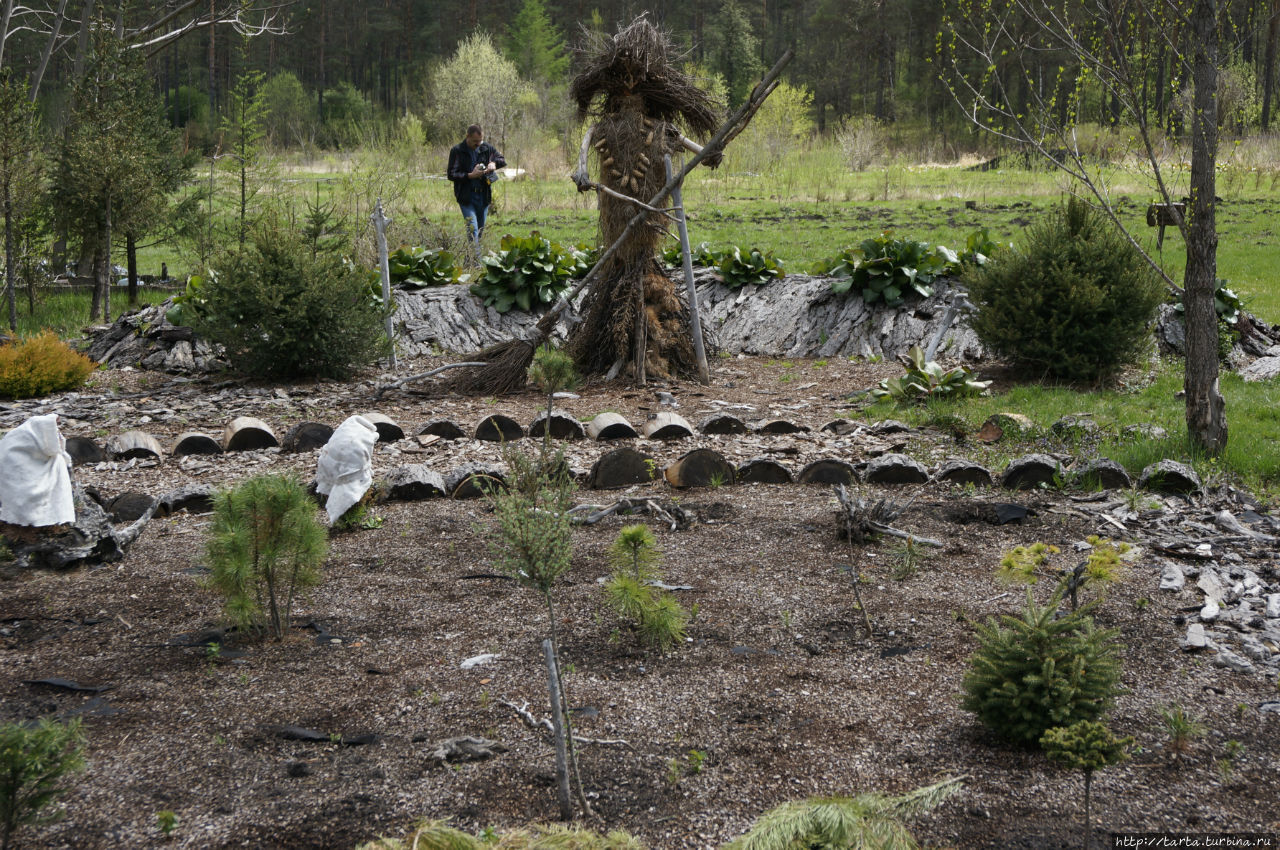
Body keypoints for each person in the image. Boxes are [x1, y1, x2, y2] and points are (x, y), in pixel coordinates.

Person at [447, 124, 506, 256]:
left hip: (483, 197)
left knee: (479, 232)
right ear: (467, 137)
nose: (478, 144)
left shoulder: (486, 148)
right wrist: (469, 176)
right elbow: (451, 174)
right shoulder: (457, 151)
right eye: (475, 142)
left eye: (480, 141)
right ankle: (477, 265)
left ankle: (470, 262)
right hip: (467, 197)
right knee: (473, 231)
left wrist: (494, 164)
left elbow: (501, 159)